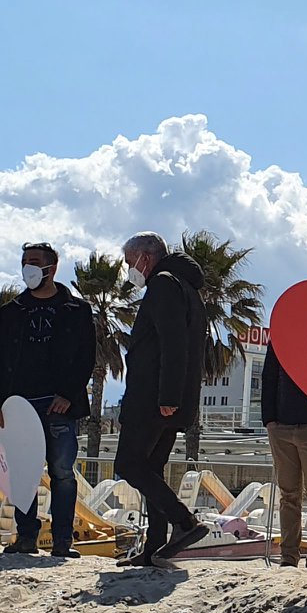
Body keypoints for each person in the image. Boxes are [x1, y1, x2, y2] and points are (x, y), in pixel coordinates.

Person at [0, 242, 95, 559]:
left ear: (52, 267)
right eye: (24, 262)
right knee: (22, 471)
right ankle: (25, 537)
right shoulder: (12, 311)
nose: (27, 268)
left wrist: (68, 395)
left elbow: (86, 357)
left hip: (59, 404)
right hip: (18, 404)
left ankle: (62, 542)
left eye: (33, 262)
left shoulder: (77, 310)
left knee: (61, 471)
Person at [114, 232, 211, 564]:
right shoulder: (186, 287)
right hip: (170, 397)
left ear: (145, 257)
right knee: (151, 467)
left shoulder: (164, 284)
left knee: (128, 463)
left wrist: (167, 394)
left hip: (153, 396)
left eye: (130, 262)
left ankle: (184, 521)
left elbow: (173, 343)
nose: (130, 269)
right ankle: (154, 547)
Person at [261, 342, 307, 569]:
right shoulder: (281, 336)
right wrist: (269, 421)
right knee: (288, 495)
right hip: (281, 426)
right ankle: (288, 557)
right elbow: (269, 377)